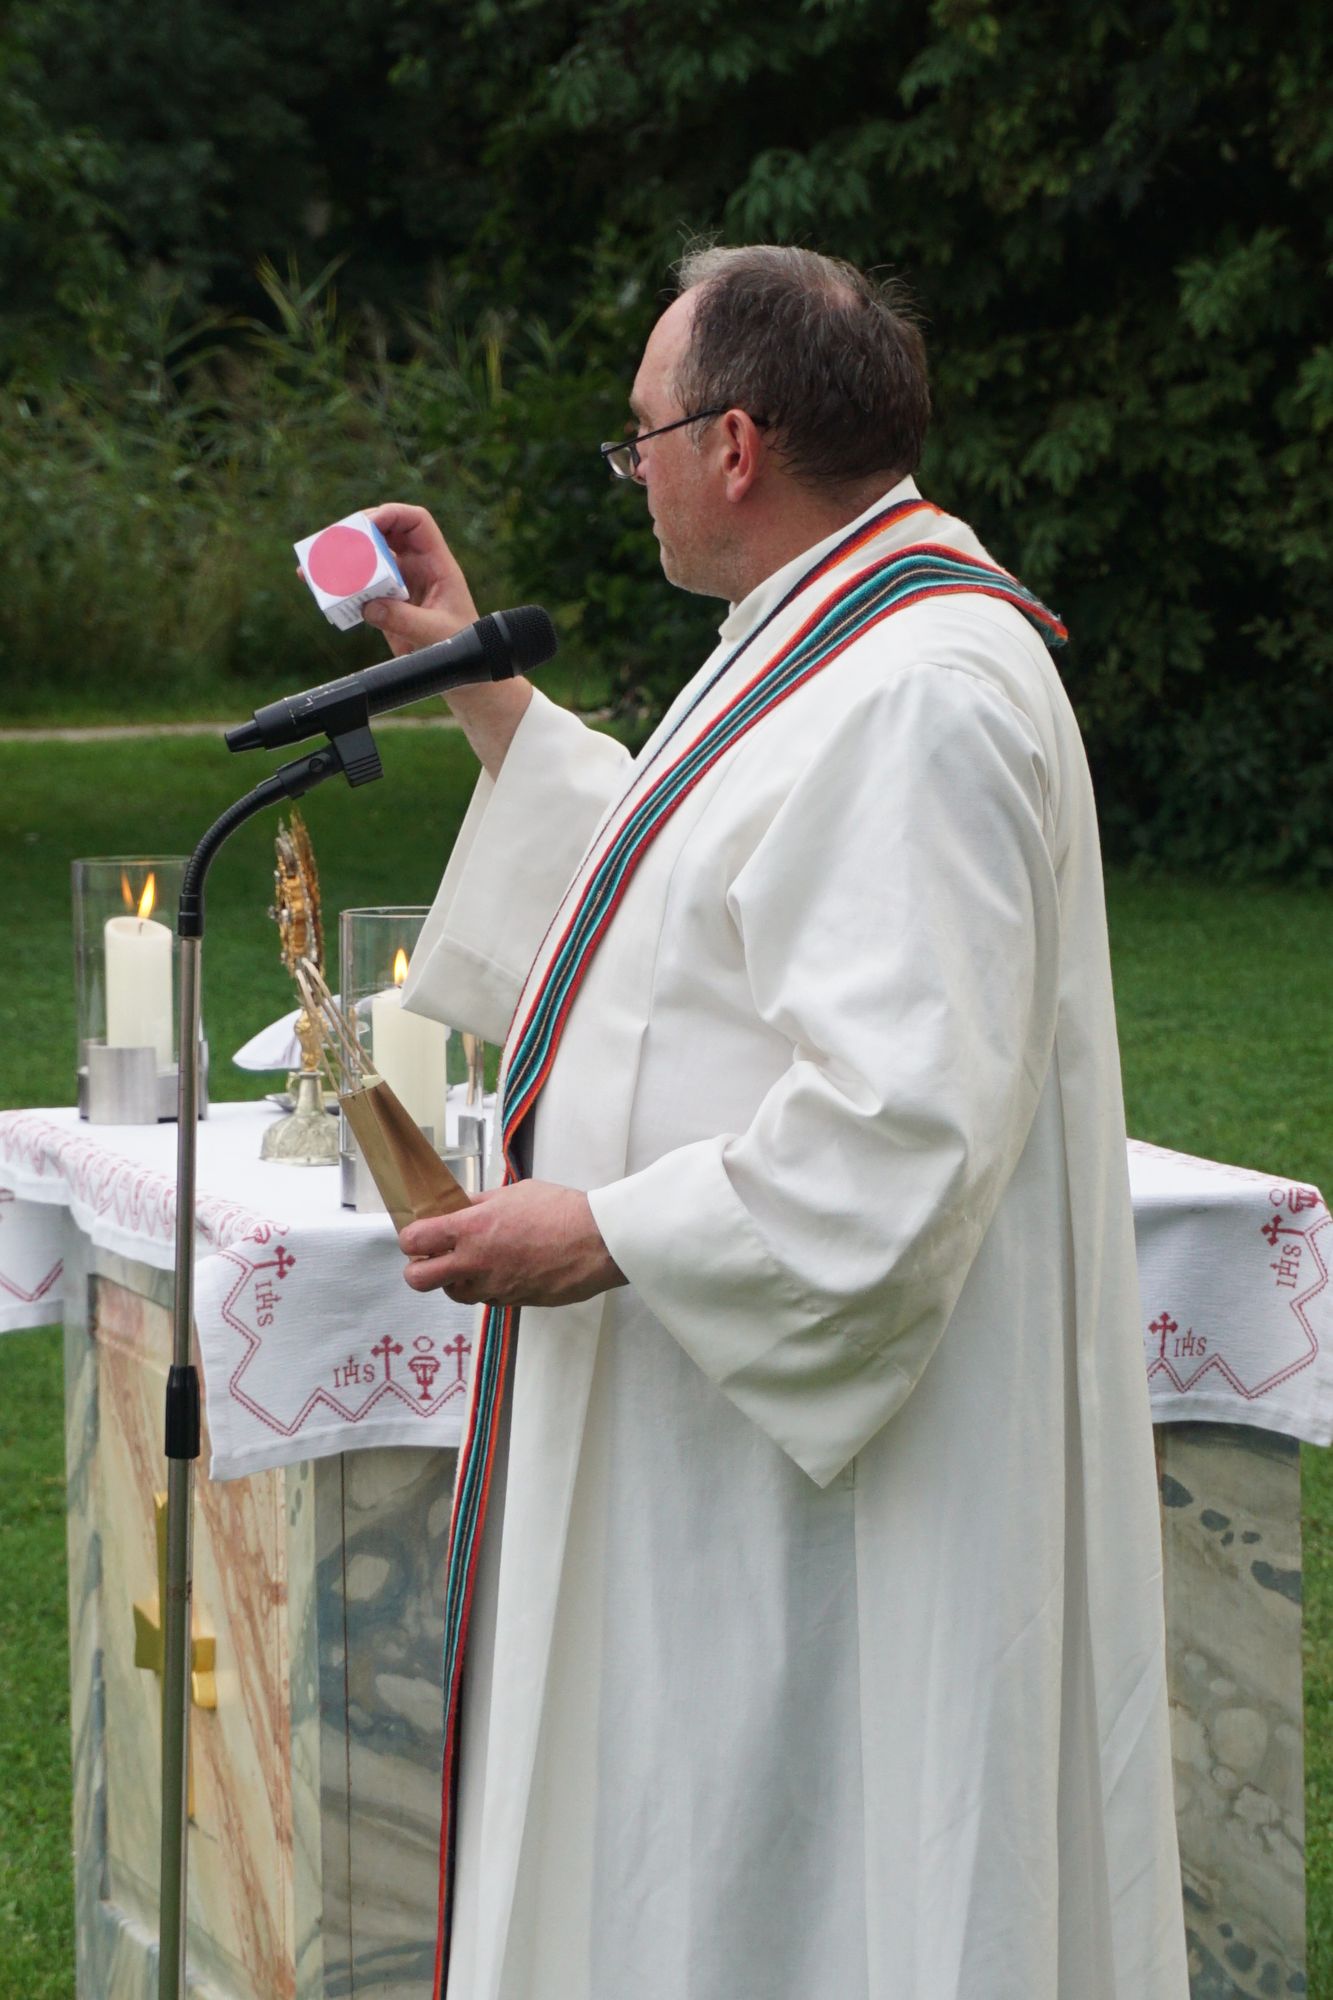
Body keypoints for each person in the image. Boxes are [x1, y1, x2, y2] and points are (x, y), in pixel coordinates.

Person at [363, 244, 1189, 2000]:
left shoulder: (919, 689)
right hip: (723, 1431)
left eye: (637, 435)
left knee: (802, 1872)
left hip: (824, 1486)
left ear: (732, 443)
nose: (631, 468)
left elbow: (899, 1128)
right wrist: (476, 686)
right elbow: (679, 890)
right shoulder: (824, 644)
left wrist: (598, 1229)